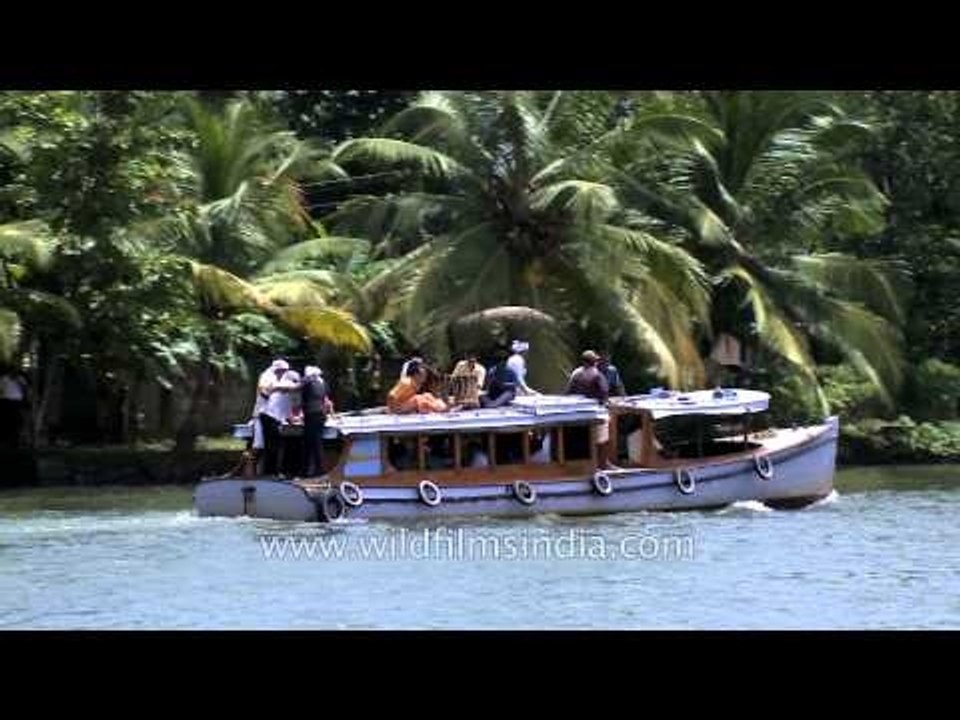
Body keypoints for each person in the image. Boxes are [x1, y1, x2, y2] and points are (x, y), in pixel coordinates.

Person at [567, 350, 617, 470]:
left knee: (582, 440)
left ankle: (585, 463)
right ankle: (603, 464)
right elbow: (604, 393)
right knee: (603, 437)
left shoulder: (576, 374)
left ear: (583, 362)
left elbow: (568, 392)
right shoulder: (597, 375)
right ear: (594, 362)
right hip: (595, 413)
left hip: (579, 414)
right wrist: (606, 402)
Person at [257, 359, 299, 475]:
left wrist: (290, 418)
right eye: (282, 370)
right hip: (268, 415)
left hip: (275, 417)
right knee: (271, 446)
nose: (283, 373)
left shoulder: (281, 380)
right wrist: (276, 389)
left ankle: (273, 472)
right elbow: (264, 391)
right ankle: (270, 473)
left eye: (285, 371)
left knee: (276, 446)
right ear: (277, 369)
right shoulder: (267, 376)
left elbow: (285, 404)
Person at [301, 365, 334, 478]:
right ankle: (317, 469)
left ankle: (313, 470)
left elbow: (302, 398)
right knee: (317, 442)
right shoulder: (323, 383)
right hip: (321, 414)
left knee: (310, 443)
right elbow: (326, 399)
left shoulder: (309, 383)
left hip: (311, 414)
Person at [0, 368, 26, 450]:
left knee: (16, 422)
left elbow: (25, 389)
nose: (13, 373)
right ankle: (5, 440)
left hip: (17, 402)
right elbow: (1, 389)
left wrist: (19, 382)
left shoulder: (20, 379)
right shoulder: (4, 379)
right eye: (12, 371)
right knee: (6, 421)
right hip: (6, 401)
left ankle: (14, 441)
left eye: (15, 372)